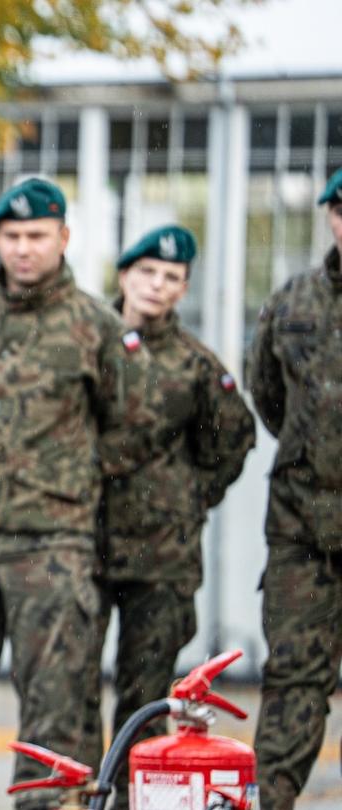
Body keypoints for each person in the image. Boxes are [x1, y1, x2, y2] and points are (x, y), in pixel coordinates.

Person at [0, 177, 142, 810]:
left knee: (55, 708)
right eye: (11, 236)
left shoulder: (96, 326)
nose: (22, 248)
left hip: (52, 542)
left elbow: (127, 426)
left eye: (36, 235)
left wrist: (66, 478)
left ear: (63, 237)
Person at [95, 224, 253, 792]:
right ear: (124, 276)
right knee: (68, 690)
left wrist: (188, 497)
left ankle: (127, 801)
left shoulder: (196, 365)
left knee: (143, 696)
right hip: (82, 542)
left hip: (161, 556)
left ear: (184, 289)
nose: (157, 285)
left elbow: (233, 440)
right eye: (147, 272)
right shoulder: (89, 339)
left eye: (171, 277)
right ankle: (79, 797)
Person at [248, 167, 342, 810]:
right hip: (303, 526)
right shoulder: (293, 302)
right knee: (292, 679)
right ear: (331, 216)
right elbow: (267, 394)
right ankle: (270, 802)